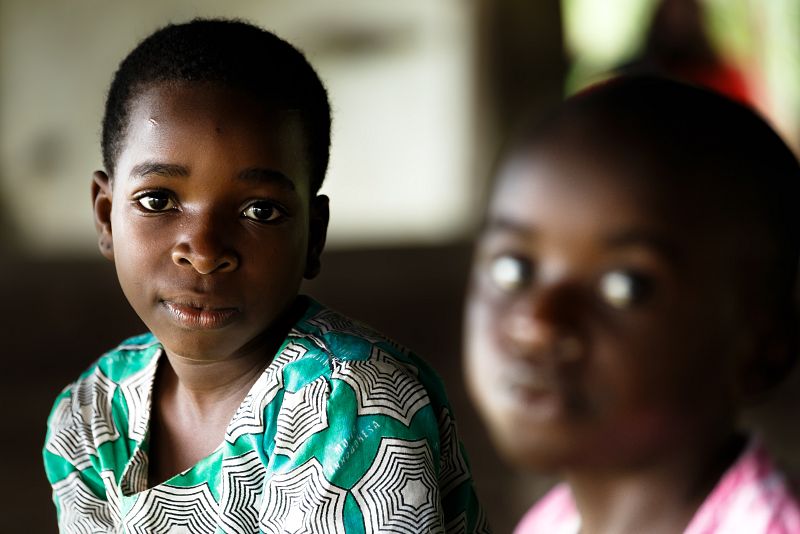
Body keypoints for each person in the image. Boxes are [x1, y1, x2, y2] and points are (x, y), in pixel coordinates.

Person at [43, 18, 486, 533]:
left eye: (260, 211)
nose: (204, 252)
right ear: (105, 217)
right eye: (158, 200)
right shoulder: (93, 413)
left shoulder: (349, 404)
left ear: (313, 237)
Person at [464, 75, 800, 533]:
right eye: (512, 270)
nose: (539, 322)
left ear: (764, 349)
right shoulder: (554, 523)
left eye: (626, 286)